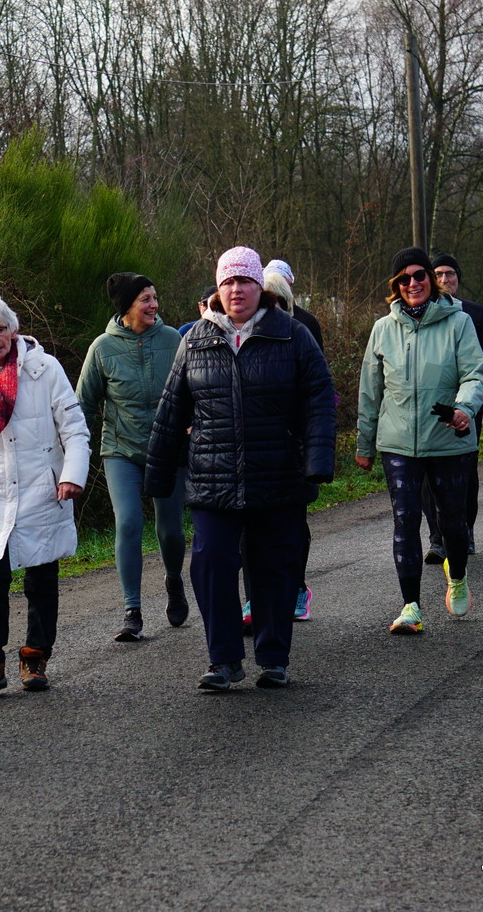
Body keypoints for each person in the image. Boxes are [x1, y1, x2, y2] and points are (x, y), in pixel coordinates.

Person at [145, 247, 335, 692]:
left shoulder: (291, 334)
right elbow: (172, 408)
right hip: (213, 477)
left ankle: (273, 657)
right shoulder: (196, 338)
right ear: (218, 288)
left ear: (259, 287)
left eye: (245, 281)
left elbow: (319, 399)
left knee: (273, 567)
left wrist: (317, 460)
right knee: (210, 563)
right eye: (228, 282)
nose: (236, 290)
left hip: (277, 476)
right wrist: (158, 473)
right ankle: (224, 660)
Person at [0, 295, 90, 692]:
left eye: (0, 330)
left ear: (13, 329)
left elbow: (74, 429)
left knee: (41, 576)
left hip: (41, 486)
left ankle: (35, 658)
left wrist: (71, 475)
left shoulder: (45, 368)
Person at [355, 248, 483, 634]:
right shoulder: (383, 329)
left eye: (419, 275)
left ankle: (457, 575)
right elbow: (370, 391)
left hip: (448, 439)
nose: (412, 283)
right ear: (395, 286)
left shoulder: (459, 322)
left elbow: (476, 375)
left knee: (452, 522)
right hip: (397, 442)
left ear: (431, 278)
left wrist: (464, 408)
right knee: (406, 520)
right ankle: (410, 606)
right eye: (404, 278)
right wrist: (365, 443)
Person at [77, 273, 188, 642]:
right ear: (127, 306)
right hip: (120, 450)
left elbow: (193, 387)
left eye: (155, 297)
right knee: (127, 523)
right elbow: (83, 404)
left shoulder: (173, 340)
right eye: (145, 299)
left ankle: (174, 580)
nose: (154, 305)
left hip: (167, 447)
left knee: (170, 530)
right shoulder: (102, 348)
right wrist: (76, 454)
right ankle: (132, 611)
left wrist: (192, 424)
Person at [424, 253, 483, 561]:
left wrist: (467, 364)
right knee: (427, 470)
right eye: (438, 274)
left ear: (458, 278)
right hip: (430, 402)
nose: (445, 280)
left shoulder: (475, 313)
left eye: (450, 274)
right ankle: (437, 538)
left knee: (465, 469)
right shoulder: (420, 313)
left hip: (468, 403)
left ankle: (464, 531)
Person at [260, 263, 329, 622]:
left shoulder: (304, 327)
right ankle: (258, 596)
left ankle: (298, 588)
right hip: (259, 444)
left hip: (294, 442)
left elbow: (318, 386)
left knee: (293, 521)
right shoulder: (246, 331)